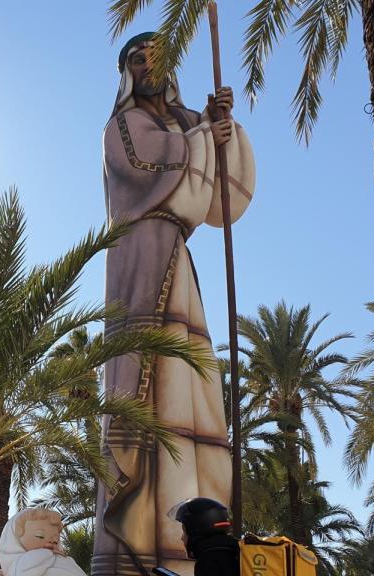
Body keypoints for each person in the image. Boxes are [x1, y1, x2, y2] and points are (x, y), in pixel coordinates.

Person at [92, 31, 256, 576]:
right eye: (137, 59)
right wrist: (206, 133)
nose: (147, 66)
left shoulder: (185, 122)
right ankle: (134, 543)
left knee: (187, 386)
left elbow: (216, 198)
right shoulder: (122, 126)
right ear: (127, 72)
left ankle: (185, 539)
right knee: (142, 380)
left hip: (177, 259)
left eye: (155, 57)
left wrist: (219, 129)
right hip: (139, 257)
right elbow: (151, 167)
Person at [0, 508, 86, 576]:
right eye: (40, 536)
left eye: (55, 541)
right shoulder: (21, 566)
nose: (51, 542)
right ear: (15, 538)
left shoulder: (66, 561)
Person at [168, 498, 238, 576]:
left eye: (185, 533)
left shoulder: (210, 560)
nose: (182, 538)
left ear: (195, 531)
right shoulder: (233, 551)